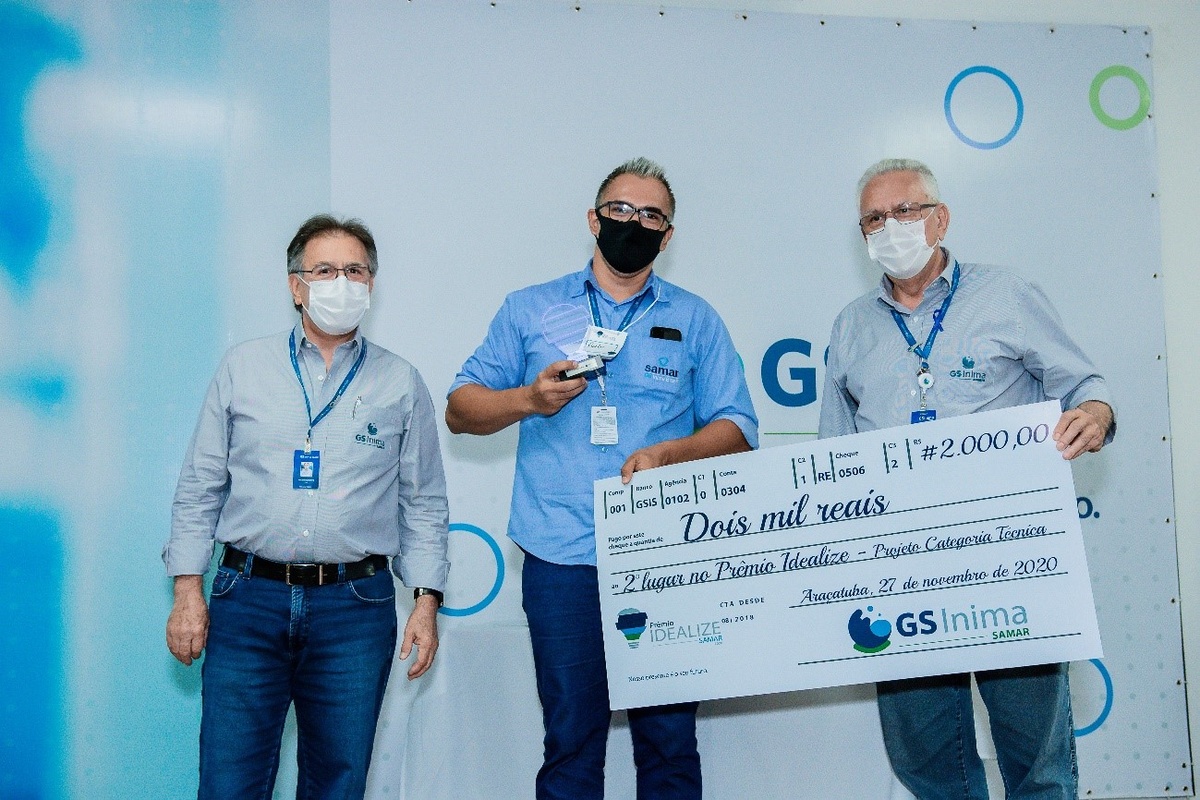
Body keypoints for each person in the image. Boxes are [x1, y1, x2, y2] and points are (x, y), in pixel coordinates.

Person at [446, 157, 758, 799]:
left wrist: (671, 454)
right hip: (560, 557)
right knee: (571, 740)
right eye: (620, 209)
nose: (633, 223)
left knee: (670, 743)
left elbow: (739, 428)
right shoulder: (530, 308)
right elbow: (460, 409)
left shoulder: (695, 318)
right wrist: (529, 400)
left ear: (667, 236)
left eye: (651, 216)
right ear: (593, 219)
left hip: (664, 556)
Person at [819, 158, 1115, 800]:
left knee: (1036, 762)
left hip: (1009, 563)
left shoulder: (1005, 295)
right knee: (928, 762)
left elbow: (1084, 385)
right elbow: (833, 458)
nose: (889, 227)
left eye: (905, 211)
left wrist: (1094, 414)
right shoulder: (851, 326)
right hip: (900, 574)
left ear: (940, 218)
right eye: (873, 218)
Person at [163, 214, 450, 798]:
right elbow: (200, 485)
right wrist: (187, 590)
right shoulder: (243, 367)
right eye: (325, 270)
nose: (342, 283)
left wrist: (426, 600)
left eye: (355, 271)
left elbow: (422, 502)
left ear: (371, 284)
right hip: (248, 599)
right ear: (296, 286)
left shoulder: (400, 381)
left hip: (355, 608)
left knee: (337, 784)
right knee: (228, 783)